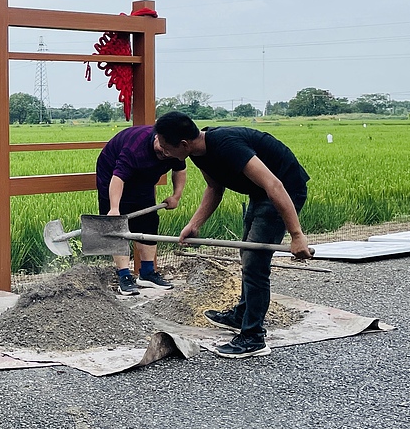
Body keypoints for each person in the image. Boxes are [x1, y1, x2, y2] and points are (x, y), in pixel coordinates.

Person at [153, 111, 313, 359]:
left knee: (256, 262)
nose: (164, 152)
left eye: (165, 147)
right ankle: (242, 314)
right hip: (261, 193)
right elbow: (215, 187)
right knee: (247, 253)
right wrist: (195, 224)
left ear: (183, 144)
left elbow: (274, 185)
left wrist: (297, 235)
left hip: (284, 189)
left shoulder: (227, 145)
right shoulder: (197, 151)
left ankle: (253, 337)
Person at [95, 124, 187, 296]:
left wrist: (176, 196)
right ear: (157, 137)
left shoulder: (174, 147)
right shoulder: (135, 149)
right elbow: (118, 178)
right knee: (117, 228)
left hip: (143, 181)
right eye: (161, 150)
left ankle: (147, 273)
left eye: (168, 153)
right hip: (111, 177)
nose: (165, 154)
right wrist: (114, 208)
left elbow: (180, 170)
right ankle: (124, 276)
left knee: (148, 222)